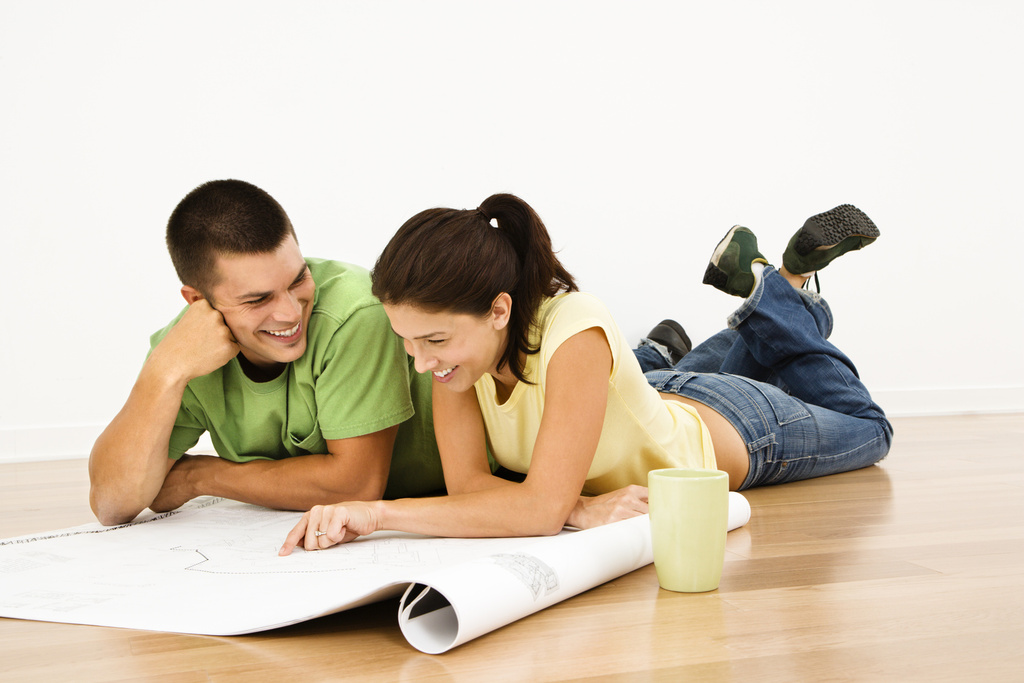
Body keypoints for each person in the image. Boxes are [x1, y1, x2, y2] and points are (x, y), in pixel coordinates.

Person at [279, 195, 892, 554]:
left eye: (434, 340)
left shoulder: (574, 325)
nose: (420, 362)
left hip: (738, 429)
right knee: (672, 371)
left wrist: (378, 514)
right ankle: (678, 344)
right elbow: (468, 489)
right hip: (650, 398)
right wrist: (582, 507)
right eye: (405, 341)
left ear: (499, 311)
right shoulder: (453, 367)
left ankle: (775, 288)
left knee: (870, 428)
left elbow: (538, 512)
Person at [89, 180, 444, 526]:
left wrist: (199, 477)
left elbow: (355, 486)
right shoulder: (184, 352)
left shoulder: (354, 312)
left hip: (450, 500)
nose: (290, 313)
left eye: (298, 280)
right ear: (197, 301)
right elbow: (111, 505)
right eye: (258, 300)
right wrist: (164, 372)